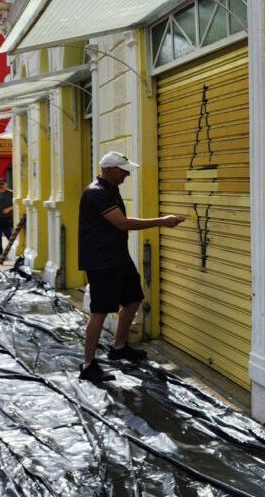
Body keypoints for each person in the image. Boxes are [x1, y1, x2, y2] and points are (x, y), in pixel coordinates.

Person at [78, 151, 186, 382]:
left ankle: (119, 346)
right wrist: (161, 221)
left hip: (117, 257)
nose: (126, 175)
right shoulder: (97, 193)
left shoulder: (110, 189)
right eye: (122, 170)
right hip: (102, 261)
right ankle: (88, 365)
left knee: (133, 298)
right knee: (100, 310)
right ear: (108, 170)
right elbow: (123, 223)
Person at [0, 178, 14, 256]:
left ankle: (13, 249)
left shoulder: (11, 193)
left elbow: (16, 204)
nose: (1, 185)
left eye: (3, 183)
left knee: (8, 234)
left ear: (7, 184)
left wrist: (9, 208)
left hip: (8, 217)